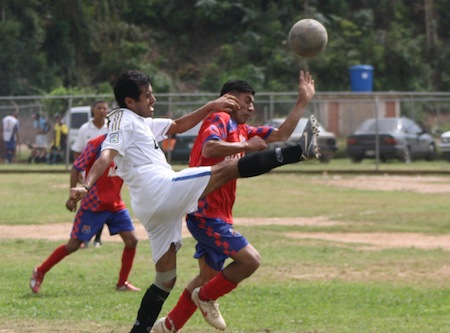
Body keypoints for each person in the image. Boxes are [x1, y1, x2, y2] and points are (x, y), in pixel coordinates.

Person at [68, 70, 318, 333]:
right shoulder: (121, 120)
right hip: (161, 190)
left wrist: (210, 105)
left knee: (165, 279)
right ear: (130, 102)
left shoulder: (141, 122)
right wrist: (86, 185)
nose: (153, 99)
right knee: (226, 169)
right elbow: (106, 154)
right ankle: (297, 152)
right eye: (147, 95)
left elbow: (176, 126)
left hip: (156, 208)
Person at [151, 72, 315, 333]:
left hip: (220, 215)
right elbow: (209, 148)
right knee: (250, 260)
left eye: (253, 102)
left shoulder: (242, 129)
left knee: (207, 278)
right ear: (229, 99)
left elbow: (281, 133)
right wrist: (245, 146)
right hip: (204, 213)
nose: (251, 107)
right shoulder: (220, 118)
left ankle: (168, 326)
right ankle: (206, 298)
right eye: (247, 100)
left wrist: (302, 100)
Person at [29, 133, 140, 294]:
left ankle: (122, 283)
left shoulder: (129, 142)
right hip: (93, 205)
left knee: (132, 241)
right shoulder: (95, 144)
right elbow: (76, 167)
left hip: (115, 204)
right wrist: (71, 195)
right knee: (73, 245)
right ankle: (40, 271)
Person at [71, 100, 108, 248]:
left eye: (104, 108)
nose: (101, 111)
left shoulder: (110, 128)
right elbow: (78, 151)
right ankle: (85, 237)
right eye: (98, 108)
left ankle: (97, 239)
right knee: (88, 205)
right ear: (93, 110)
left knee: (105, 205)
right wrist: (79, 170)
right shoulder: (84, 129)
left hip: (105, 174)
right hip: (89, 175)